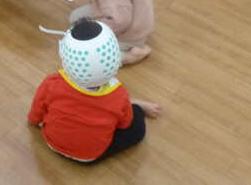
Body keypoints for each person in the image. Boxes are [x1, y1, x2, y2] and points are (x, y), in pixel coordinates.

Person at [28, 19, 161, 164]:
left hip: (52, 142)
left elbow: (37, 108)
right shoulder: (118, 94)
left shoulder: (52, 82)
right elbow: (124, 124)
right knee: (137, 128)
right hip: (89, 156)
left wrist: (34, 120)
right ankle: (135, 105)